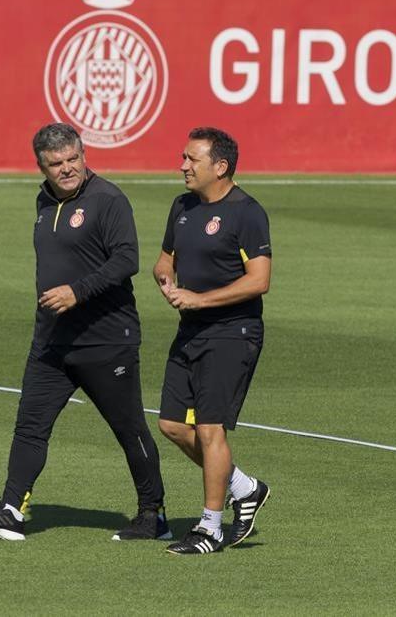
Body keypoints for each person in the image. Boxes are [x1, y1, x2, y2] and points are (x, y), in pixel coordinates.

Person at [0, 123, 168, 541]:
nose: (67, 169)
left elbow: (127, 259)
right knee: (30, 426)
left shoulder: (108, 199)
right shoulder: (43, 200)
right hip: (51, 342)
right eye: (56, 164)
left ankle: (153, 515)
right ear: (42, 166)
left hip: (105, 341)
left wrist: (78, 291)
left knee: (128, 429)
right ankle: (10, 510)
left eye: (73, 159)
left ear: (83, 154)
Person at [154, 127, 273, 555]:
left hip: (233, 334)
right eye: (183, 157)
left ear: (219, 167)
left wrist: (200, 299)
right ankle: (244, 487)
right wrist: (166, 282)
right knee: (171, 425)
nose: (182, 166)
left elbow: (260, 281)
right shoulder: (182, 206)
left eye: (192, 160)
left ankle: (210, 527)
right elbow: (165, 260)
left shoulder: (247, 212)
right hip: (190, 331)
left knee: (208, 429)